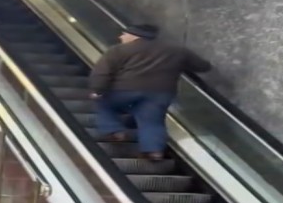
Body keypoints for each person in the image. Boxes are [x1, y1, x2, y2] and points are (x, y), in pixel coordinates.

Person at [89, 24, 212, 161]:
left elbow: (102, 72)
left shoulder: (118, 50)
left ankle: (114, 131)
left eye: (124, 34)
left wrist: (97, 90)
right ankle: (153, 151)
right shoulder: (177, 50)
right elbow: (203, 66)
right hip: (161, 93)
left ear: (135, 36)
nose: (121, 37)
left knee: (104, 104)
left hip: (124, 89)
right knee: (152, 121)